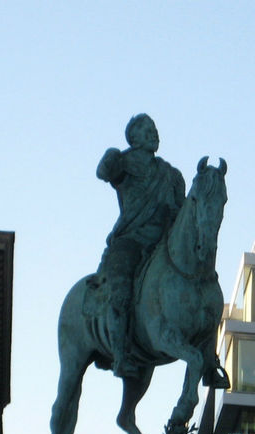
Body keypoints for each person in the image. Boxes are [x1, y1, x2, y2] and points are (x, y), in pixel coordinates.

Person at [95, 114, 186, 378]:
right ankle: (119, 355)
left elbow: (180, 212)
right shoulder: (124, 163)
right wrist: (112, 157)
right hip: (131, 241)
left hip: (163, 244)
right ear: (133, 138)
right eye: (147, 130)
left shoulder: (171, 174)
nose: (153, 133)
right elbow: (103, 172)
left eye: (155, 129)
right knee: (121, 292)